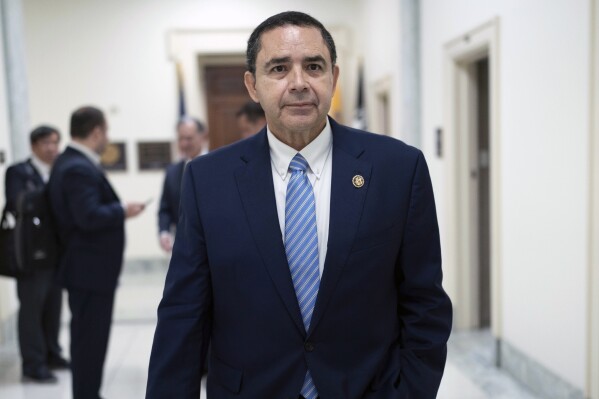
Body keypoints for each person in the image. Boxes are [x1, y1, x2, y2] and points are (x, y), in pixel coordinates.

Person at [146, 11, 452, 399]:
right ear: (252, 85)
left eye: (313, 66)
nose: (298, 83)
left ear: (333, 79)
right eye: (278, 68)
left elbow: (425, 302)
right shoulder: (208, 180)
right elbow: (183, 314)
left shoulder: (397, 169)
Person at [47, 106, 145, 399]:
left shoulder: (71, 162)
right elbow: (87, 216)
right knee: (90, 341)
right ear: (97, 132)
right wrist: (122, 210)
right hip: (88, 271)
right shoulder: (77, 166)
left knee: (88, 340)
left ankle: (88, 393)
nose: (108, 138)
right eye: (107, 132)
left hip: (86, 270)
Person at [4, 126, 69, 383]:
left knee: (53, 307)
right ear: (33, 146)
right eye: (46, 143)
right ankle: (33, 363)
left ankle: (52, 354)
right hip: (30, 255)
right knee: (32, 309)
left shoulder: (60, 170)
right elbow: (17, 202)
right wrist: (51, 187)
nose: (52, 148)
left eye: (55, 142)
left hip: (56, 253)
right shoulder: (19, 172)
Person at [158, 117, 208, 252]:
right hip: (183, 246)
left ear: (202, 136)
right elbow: (165, 208)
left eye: (189, 138)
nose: (184, 143)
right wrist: (164, 232)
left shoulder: (218, 166)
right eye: (180, 139)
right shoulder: (172, 172)